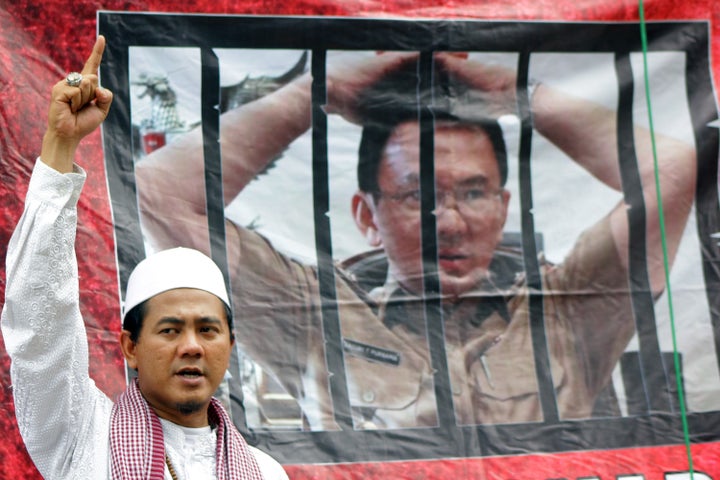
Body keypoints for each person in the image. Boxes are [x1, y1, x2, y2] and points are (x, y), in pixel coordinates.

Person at [135, 51, 696, 430]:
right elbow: (161, 193)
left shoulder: (571, 315)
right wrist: (318, 93)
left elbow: (673, 171)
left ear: (504, 209)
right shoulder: (313, 317)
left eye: (474, 194)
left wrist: (517, 93)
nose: (449, 222)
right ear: (367, 214)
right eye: (415, 197)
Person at [1, 36, 288, 479]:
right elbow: (40, 322)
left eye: (208, 330)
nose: (191, 346)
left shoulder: (265, 472)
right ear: (130, 347)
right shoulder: (81, 433)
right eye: (170, 329)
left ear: (230, 346)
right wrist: (59, 145)